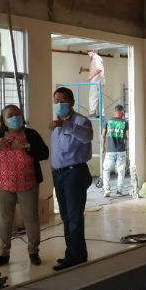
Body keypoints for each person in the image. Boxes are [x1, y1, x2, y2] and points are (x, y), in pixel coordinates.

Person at [0, 105, 49, 268]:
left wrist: (26, 146)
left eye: (18, 114)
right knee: (5, 220)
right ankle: (3, 254)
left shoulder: (31, 135)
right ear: (3, 120)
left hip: (28, 183)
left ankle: (33, 251)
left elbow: (44, 153)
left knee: (31, 218)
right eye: (10, 115)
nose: (15, 117)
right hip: (3, 185)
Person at [50, 87, 93, 271]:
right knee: (66, 216)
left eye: (64, 100)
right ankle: (73, 254)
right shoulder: (54, 124)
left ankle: (76, 257)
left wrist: (66, 126)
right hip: (58, 174)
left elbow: (87, 136)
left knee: (75, 216)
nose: (60, 104)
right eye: (57, 100)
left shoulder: (81, 121)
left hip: (75, 173)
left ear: (72, 102)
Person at [102, 104, 129, 197]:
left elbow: (103, 135)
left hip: (110, 150)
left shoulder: (108, 121)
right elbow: (127, 137)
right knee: (121, 171)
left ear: (115, 112)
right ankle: (119, 191)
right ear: (122, 112)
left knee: (106, 170)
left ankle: (106, 190)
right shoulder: (125, 122)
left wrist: (103, 147)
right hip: (121, 150)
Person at [79, 49, 105, 118]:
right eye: (87, 51)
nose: (88, 52)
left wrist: (91, 76)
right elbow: (94, 69)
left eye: (89, 51)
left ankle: (92, 113)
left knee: (93, 97)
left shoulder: (96, 58)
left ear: (93, 50)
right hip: (98, 82)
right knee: (99, 98)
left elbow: (99, 69)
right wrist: (85, 70)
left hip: (96, 82)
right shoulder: (94, 58)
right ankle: (101, 114)